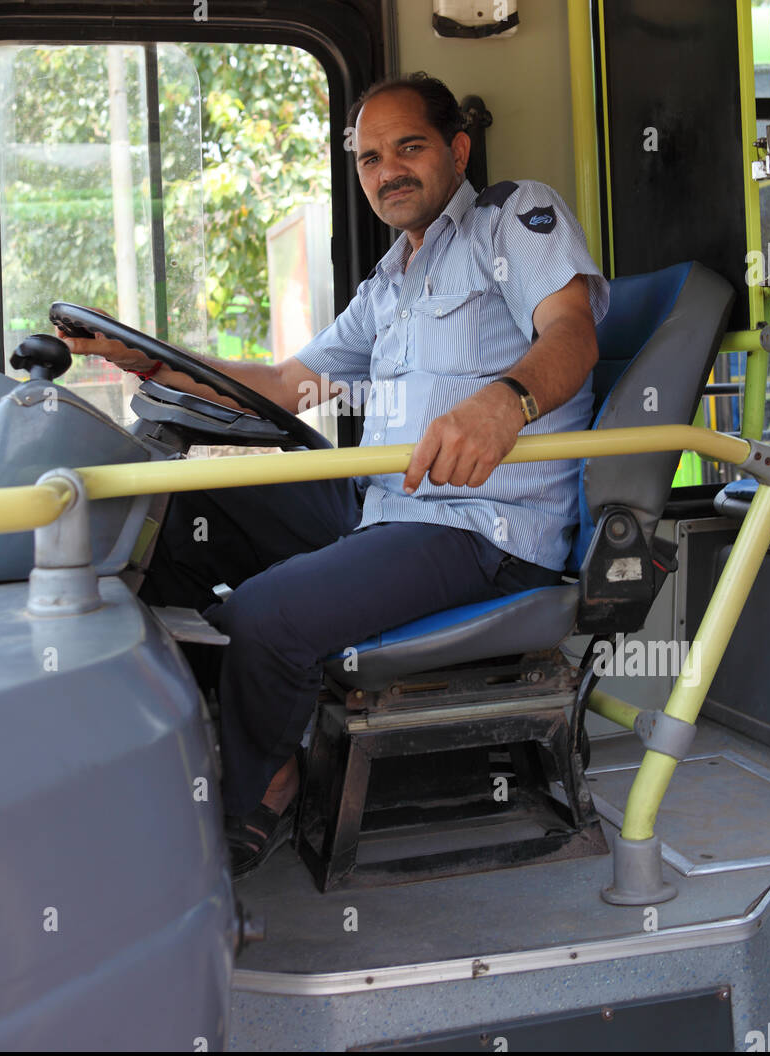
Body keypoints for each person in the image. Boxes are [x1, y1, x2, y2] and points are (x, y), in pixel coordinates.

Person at [58, 72, 609, 879]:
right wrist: (154, 363)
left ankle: (264, 783)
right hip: (384, 503)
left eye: (409, 147)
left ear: (456, 149)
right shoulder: (390, 281)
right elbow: (290, 385)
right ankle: (197, 728)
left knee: (268, 614)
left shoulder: (513, 219)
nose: (387, 170)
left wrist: (505, 403)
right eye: (369, 157)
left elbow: (572, 334)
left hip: (481, 527)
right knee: (178, 511)